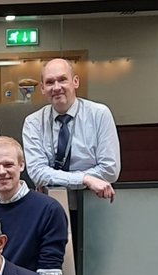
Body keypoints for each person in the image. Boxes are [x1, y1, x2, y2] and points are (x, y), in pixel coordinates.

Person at [22, 58, 120, 204]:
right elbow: (37, 173)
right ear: (42, 88)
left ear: (75, 82)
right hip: (50, 204)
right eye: (50, 82)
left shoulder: (99, 114)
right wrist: (86, 179)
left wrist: (56, 178)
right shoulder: (33, 122)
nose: (56, 87)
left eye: (62, 80)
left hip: (92, 202)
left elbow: (110, 170)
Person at [0, 137, 69, 275]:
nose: (2, 172)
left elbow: (49, 274)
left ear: (22, 165)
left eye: (8, 164)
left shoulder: (49, 210)